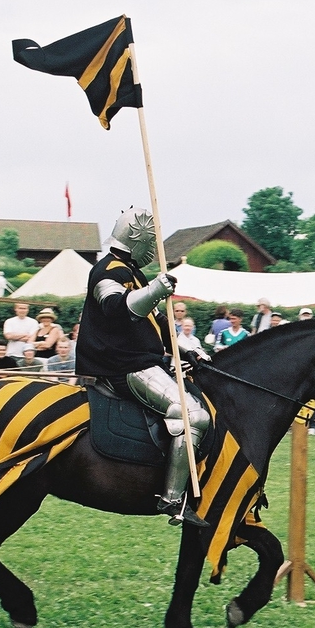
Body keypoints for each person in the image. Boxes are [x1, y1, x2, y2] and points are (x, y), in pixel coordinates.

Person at [75, 207, 210, 527]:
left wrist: (192, 348)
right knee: (193, 415)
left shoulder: (132, 272)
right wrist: (155, 290)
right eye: (152, 240)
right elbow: (115, 307)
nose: (155, 246)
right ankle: (173, 500)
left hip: (141, 360)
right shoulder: (108, 269)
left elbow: (159, 323)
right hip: (123, 365)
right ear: (138, 239)